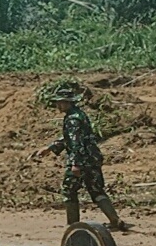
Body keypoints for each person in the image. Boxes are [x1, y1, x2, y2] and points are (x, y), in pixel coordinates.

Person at [35, 88, 129, 230]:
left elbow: (75, 142)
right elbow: (71, 137)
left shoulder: (72, 119)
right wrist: (50, 148)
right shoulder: (79, 115)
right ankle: (115, 220)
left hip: (81, 160)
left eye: (60, 102)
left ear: (68, 103)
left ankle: (73, 225)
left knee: (69, 190)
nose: (58, 105)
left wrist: (76, 164)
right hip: (93, 158)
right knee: (96, 190)